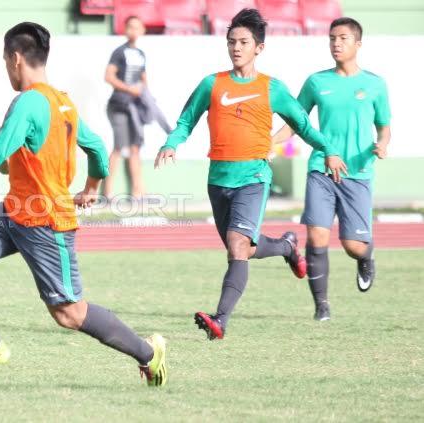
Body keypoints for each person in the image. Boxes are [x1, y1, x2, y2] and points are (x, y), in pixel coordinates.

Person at [0, 22, 167, 387]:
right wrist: (92, 186)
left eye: (4, 61)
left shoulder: (28, 101)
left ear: (15, 59)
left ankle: (148, 352)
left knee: (69, 315)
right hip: (15, 210)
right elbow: (96, 150)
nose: (6, 69)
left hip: (46, 221)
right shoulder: (63, 102)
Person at [155, 9, 347, 340]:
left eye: (243, 42)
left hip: (253, 179)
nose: (236, 48)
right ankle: (287, 247)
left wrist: (328, 149)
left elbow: (302, 125)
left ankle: (220, 321)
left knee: (237, 246)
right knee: (243, 248)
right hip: (218, 180)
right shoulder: (212, 84)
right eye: (231, 42)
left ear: (259, 47)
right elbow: (186, 120)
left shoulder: (272, 88)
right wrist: (172, 143)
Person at [272, 18, 390, 321]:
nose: (336, 43)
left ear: (358, 44)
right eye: (332, 38)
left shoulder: (375, 84)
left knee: (353, 245)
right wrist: (268, 144)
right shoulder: (316, 82)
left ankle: (366, 255)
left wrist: (383, 144)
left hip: (358, 172)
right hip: (321, 169)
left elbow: (384, 127)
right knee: (317, 237)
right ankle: (321, 306)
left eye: (343, 38)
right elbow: (295, 123)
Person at [104, 16, 170, 200]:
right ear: (125, 29)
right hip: (118, 105)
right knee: (118, 148)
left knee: (135, 148)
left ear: (142, 31)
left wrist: (146, 99)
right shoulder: (119, 52)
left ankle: (138, 192)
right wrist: (128, 89)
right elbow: (108, 76)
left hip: (133, 107)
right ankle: (107, 193)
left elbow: (143, 80)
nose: (133, 31)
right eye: (130, 27)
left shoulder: (141, 54)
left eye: (136, 27)